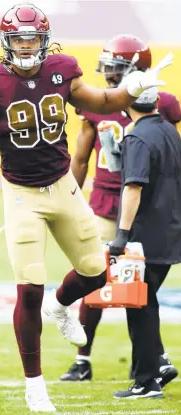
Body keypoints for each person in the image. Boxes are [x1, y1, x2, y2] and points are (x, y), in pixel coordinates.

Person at [0, 4, 173, 412]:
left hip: (62, 185)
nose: (26, 46)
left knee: (97, 272)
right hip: (21, 194)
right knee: (28, 288)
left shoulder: (62, 69)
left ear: (44, 42)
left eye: (33, 39)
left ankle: (60, 304)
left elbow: (102, 101)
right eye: (19, 39)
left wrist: (133, 90)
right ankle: (35, 386)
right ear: (6, 43)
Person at [61, 34, 180, 386]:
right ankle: (84, 359)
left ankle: (148, 362)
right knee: (95, 278)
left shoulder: (164, 104)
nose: (109, 76)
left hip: (141, 202)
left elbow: (167, 154)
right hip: (105, 200)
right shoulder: (95, 103)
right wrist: (68, 199)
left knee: (138, 290)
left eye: (116, 68)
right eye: (108, 68)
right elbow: (81, 158)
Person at [108, 86, 181, 398]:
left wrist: (121, 235)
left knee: (140, 306)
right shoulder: (168, 130)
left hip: (147, 235)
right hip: (170, 229)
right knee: (145, 303)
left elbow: (134, 187)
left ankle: (147, 381)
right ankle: (155, 369)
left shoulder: (138, 137)